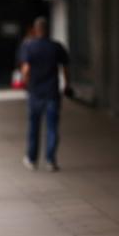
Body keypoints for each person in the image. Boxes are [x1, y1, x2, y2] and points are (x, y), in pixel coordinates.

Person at [19, 17, 71, 172]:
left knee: (34, 127)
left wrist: (26, 83)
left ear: (36, 30)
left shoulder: (29, 46)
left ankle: (32, 158)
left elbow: (26, 69)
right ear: (48, 30)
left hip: (35, 92)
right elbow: (65, 68)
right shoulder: (56, 47)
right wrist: (67, 84)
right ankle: (50, 159)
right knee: (52, 127)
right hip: (52, 92)